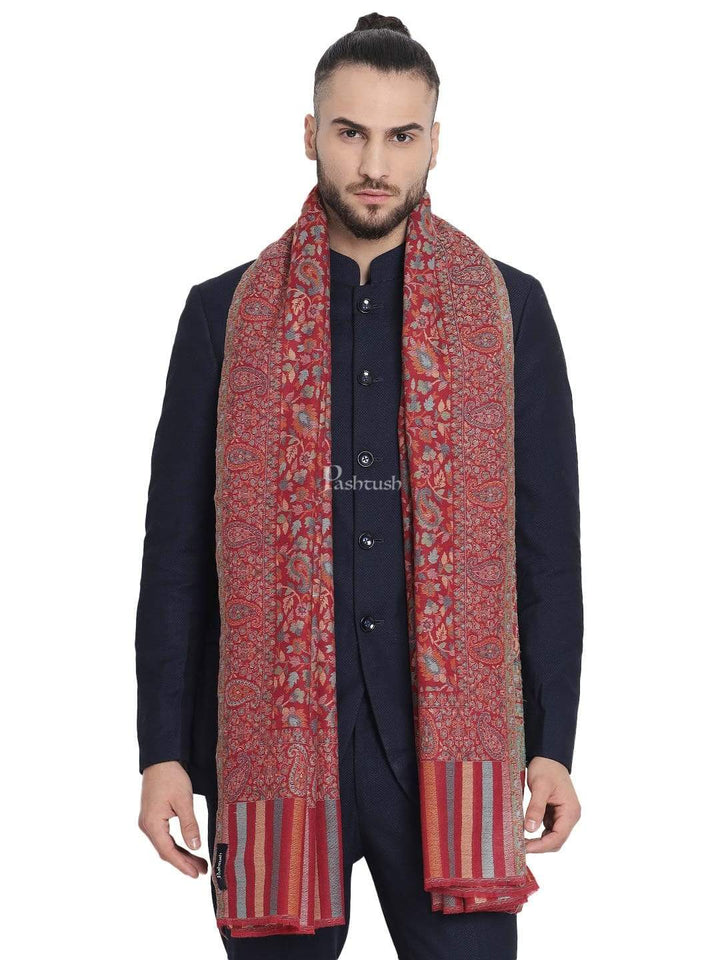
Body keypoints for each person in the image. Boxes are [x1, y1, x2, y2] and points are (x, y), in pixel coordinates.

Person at [135, 13, 583, 959]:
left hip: (453, 765)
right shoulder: (224, 315)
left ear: (434, 142)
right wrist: (162, 751)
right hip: (276, 764)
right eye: (350, 132)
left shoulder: (509, 310)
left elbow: (546, 548)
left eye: (401, 135)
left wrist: (553, 743)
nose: (375, 164)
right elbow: (175, 555)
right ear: (310, 133)